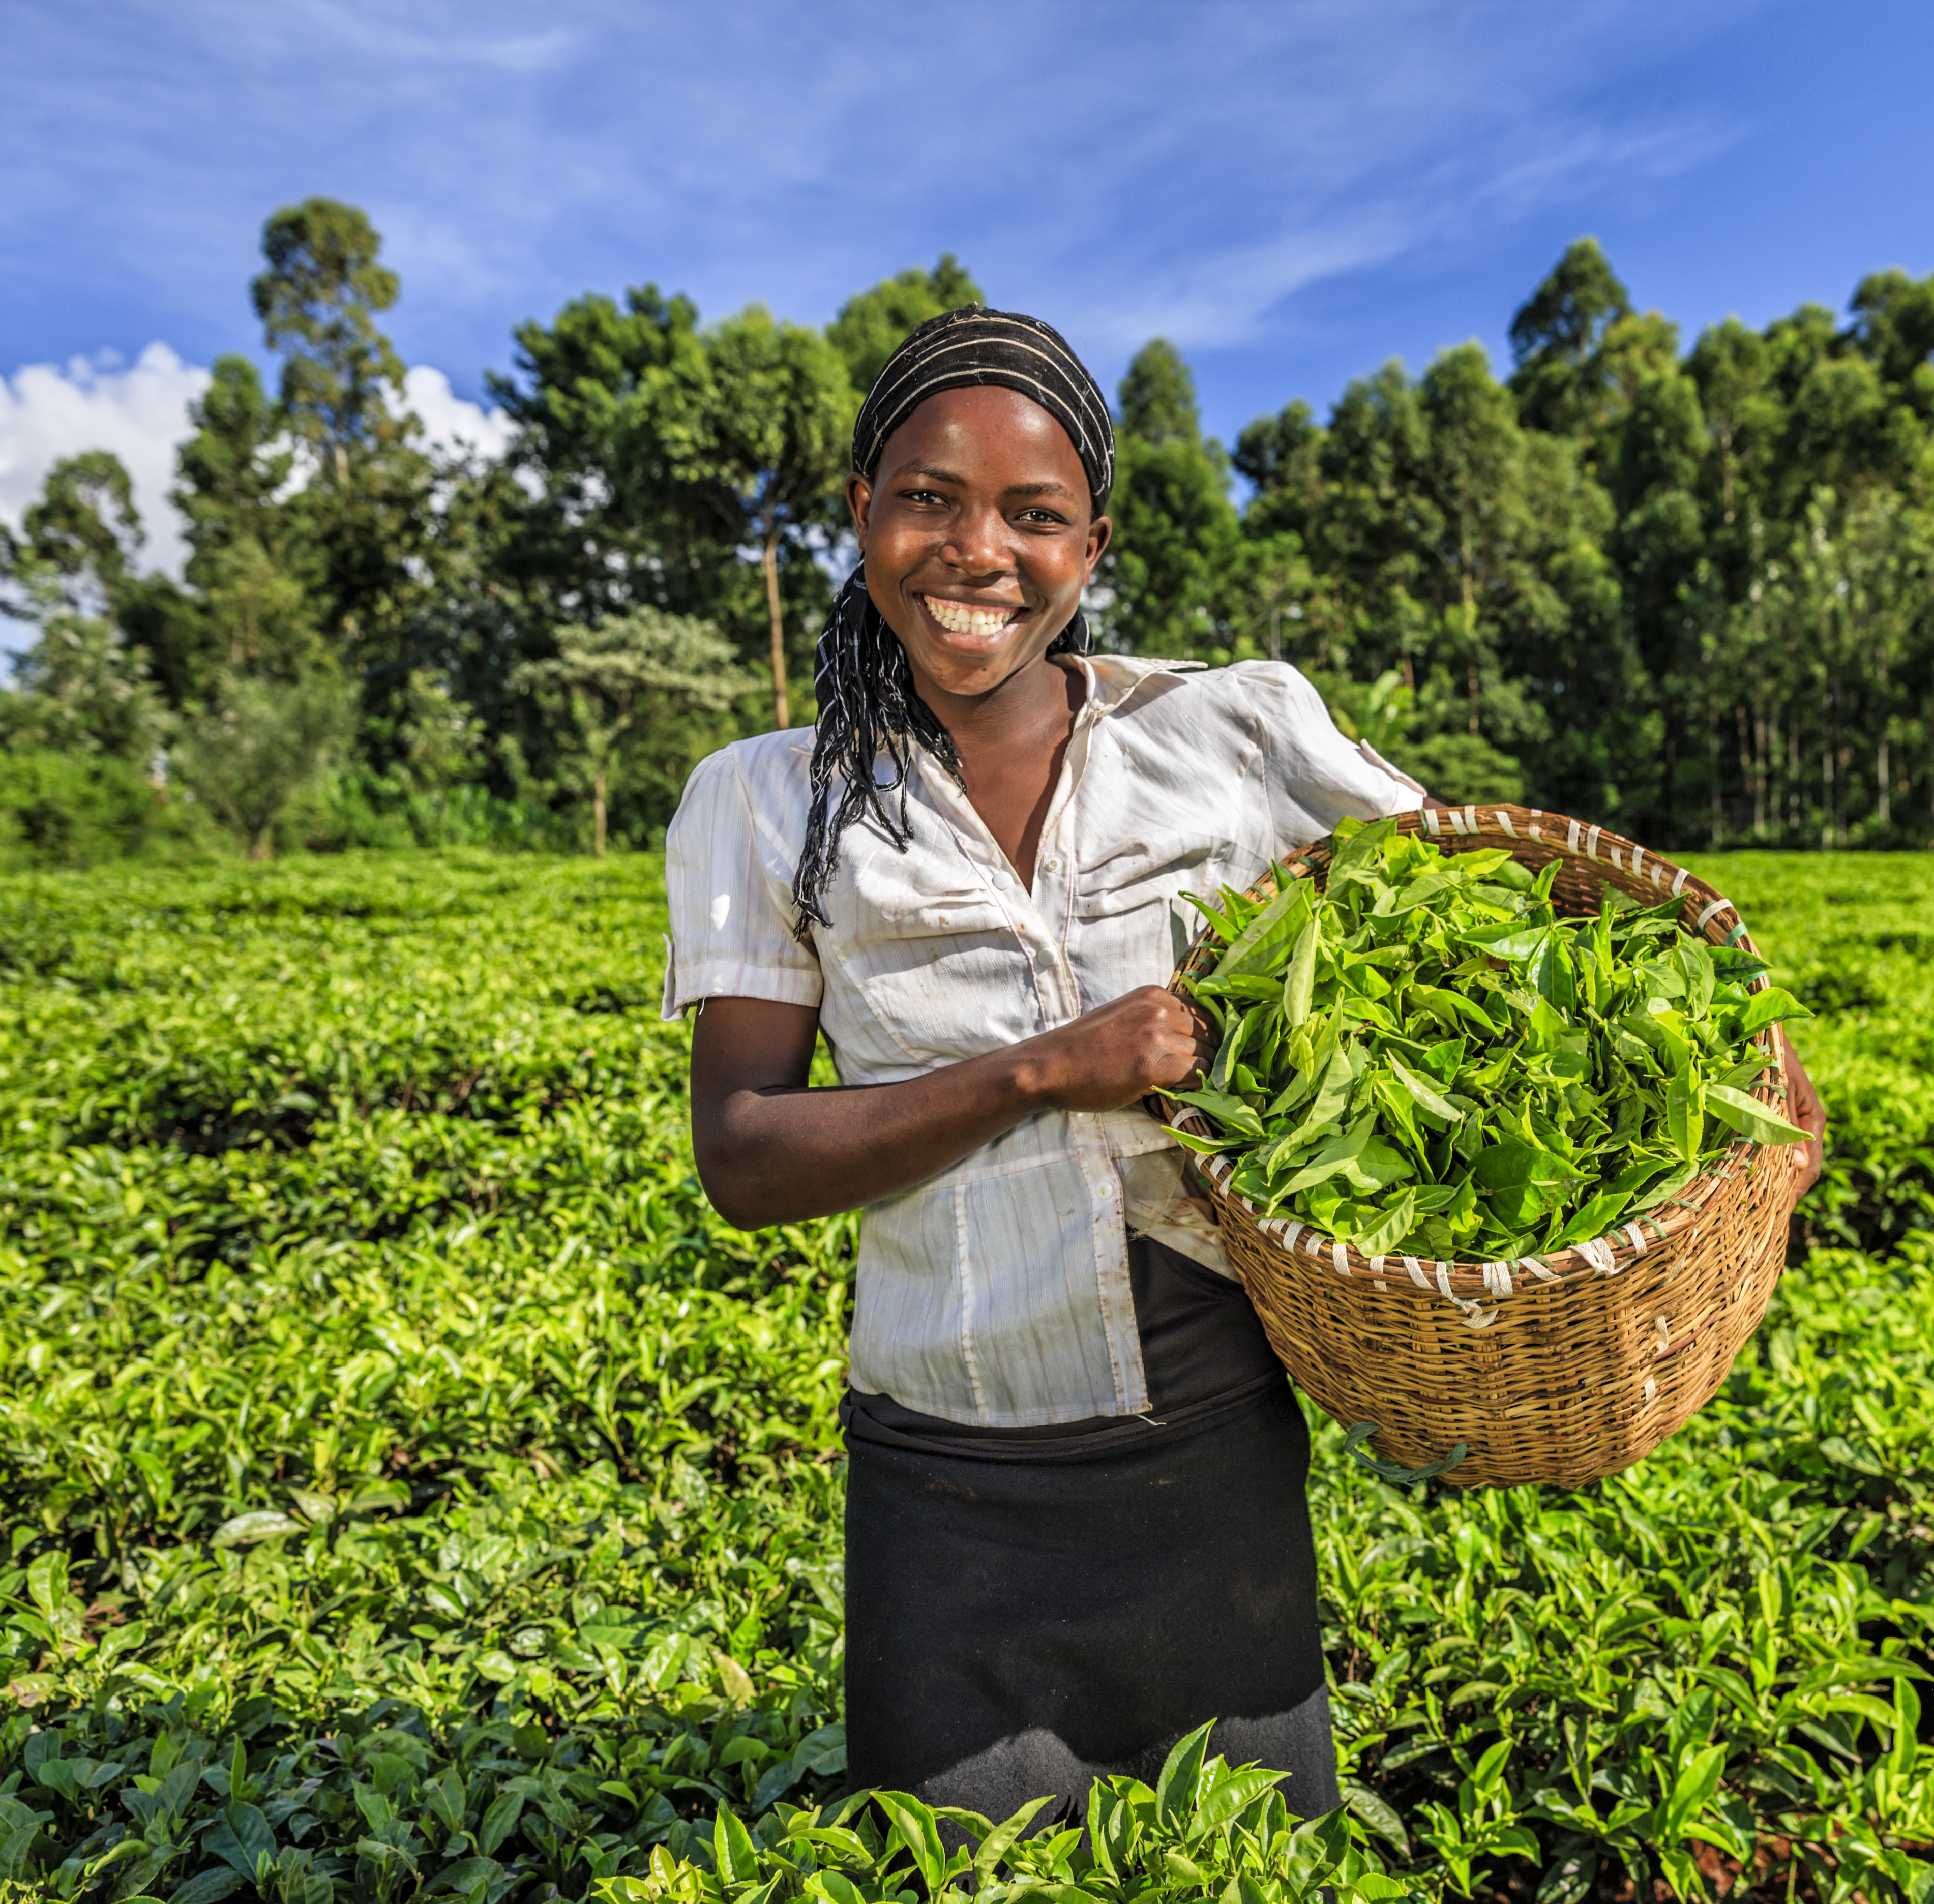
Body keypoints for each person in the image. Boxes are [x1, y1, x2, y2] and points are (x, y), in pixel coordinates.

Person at [663, 304, 1823, 1828]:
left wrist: (1741, 1060)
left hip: (1210, 1450)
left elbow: (1478, 916)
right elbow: (746, 1160)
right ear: (863, 511)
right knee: (955, 1860)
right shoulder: (765, 802)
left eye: (1035, 514)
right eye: (927, 498)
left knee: (1247, 1854)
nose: (975, 552)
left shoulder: (1232, 733)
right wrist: (1044, 1069)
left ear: (1091, 545)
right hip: (946, 1477)